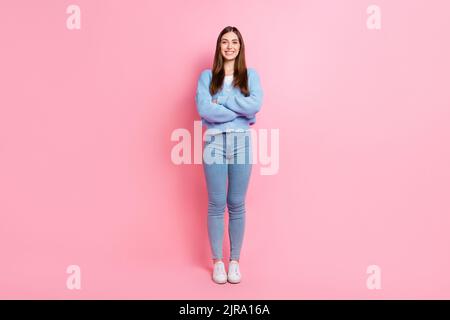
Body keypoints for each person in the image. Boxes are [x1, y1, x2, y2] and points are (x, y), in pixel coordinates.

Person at [194, 26, 263, 284]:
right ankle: (218, 263)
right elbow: (204, 109)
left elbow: (255, 105)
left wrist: (221, 102)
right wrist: (240, 110)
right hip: (214, 144)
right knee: (216, 204)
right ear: (219, 47)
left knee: (236, 204)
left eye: (234, 42)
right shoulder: (207, 77)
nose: (230, 46)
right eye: (225, 42)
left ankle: (234, 261)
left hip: (241, 144)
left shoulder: (250, 76)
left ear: (240, 46)